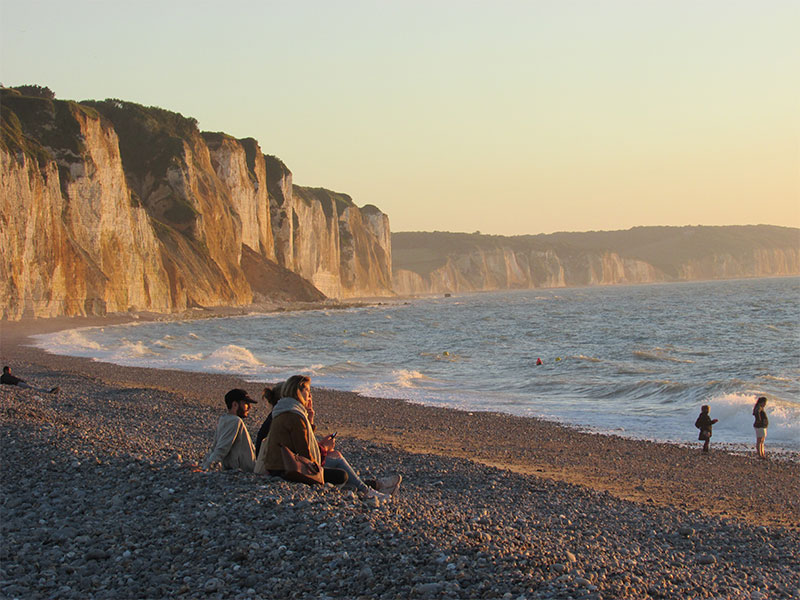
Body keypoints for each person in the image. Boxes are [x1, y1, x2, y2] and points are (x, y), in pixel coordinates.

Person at [256, 375, 401, 498]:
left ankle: (371, 488)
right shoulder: (294, 415)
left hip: (278, 466)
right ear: (299, 391)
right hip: (286, 470)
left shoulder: (283, 410)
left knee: (338, 469)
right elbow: (306, 456)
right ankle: (369, 490)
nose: (310, 395)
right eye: (308, 391)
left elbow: (299, 442)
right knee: (340, 472)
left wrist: (310, 420)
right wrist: (323, 449)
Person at [201, 389, 258, 472]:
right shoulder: (235, 421)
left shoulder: (223, 419)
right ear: (235, 404)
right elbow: (222, 447)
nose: (249, 407)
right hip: (244, 469)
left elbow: (215, 446)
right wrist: (206, 467)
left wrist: (205, 463)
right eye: (246, 403)